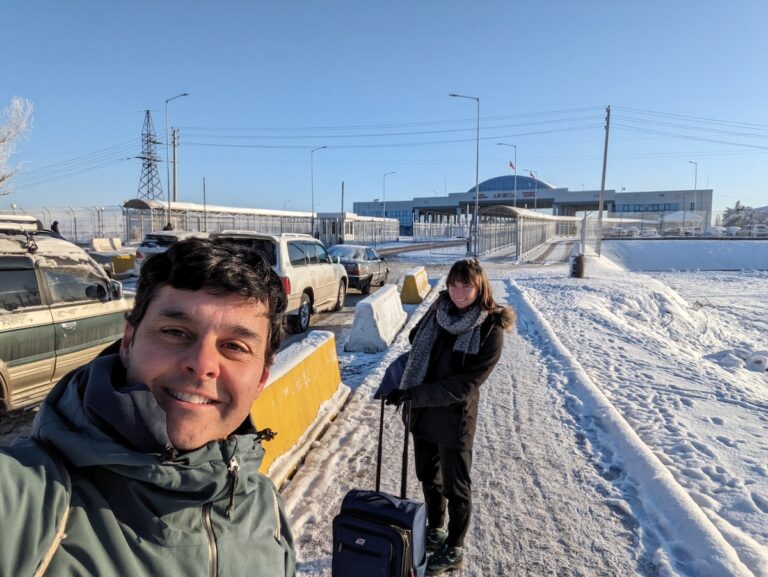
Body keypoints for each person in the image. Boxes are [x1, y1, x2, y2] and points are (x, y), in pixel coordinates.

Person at [0, 238, 297, 577]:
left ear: (261, 379)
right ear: (128, 342)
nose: (202, 365)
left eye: (234, 346)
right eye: (175, 331)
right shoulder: (26, 498)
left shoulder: (265, 507)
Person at [386, 258, 515, 575]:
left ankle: (455, 547)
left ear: (479, 286)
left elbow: (466, 384)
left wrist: (417, 393)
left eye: (465, 285)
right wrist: (399, 382)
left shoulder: (490, 328)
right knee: (428, 476)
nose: (457, 292)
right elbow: (415, 340)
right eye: (453, 285)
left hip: (455, 417)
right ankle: (437, 528)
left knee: (456, 487)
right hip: (424, 413)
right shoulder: (439, 310)